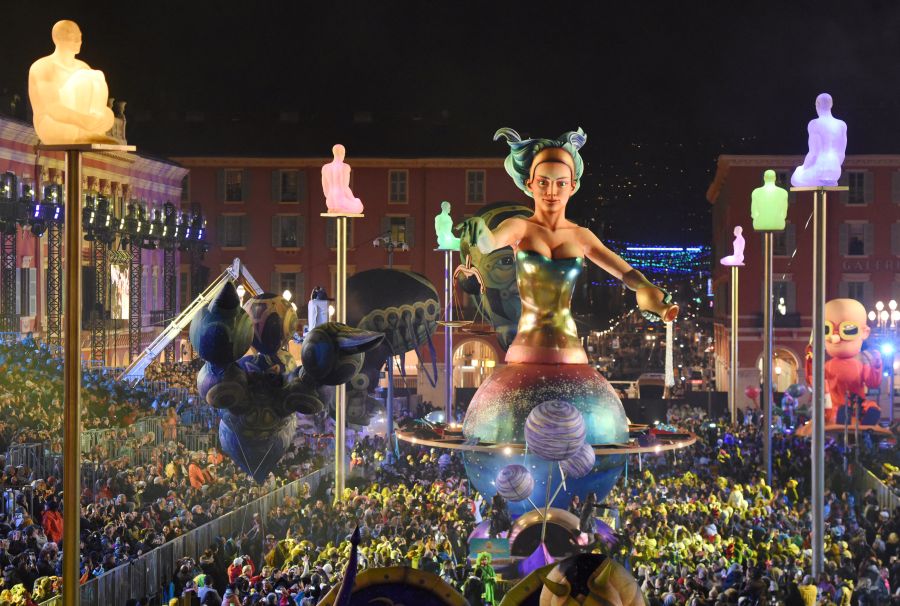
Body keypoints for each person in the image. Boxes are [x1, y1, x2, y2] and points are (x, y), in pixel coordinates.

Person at [457, 127, 677, 366]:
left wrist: (645, 288)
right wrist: (479, 229)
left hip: (571, 349)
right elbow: (490, 243)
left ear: (572, 186)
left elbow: (625, 272)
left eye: (560, 183)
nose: (552, 191)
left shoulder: (580, 236)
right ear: (530, 184)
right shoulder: (519, 227)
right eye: (543, 182)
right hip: (527, 348)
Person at [28, 20, 116, 144]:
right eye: (72, 37)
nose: (78, 42)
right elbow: (53, 108)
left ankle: (92, 131)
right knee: (83, 77)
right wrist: (85, 121)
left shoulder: (83, 66)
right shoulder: (43, 66)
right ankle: (87, 131)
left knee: (97, 75)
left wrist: (101, 117)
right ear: (57, 39)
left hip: (86, 125)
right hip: (53, 125)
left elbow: (97, 103)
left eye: (79, 37)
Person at [791, 93, 848, 187]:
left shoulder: (814, 124)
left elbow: (813, 153)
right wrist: (833, 166)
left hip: (820, 169)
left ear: (817, 104)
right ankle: (829, 181)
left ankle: (818, 180)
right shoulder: (842, 125)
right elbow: (841, 154)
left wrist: (804, 168)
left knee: (796, 175)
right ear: (831, 104)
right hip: (836, 171)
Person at [322, 144, 363, 214]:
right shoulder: (345, 167)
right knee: (359, 206)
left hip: (330, 201)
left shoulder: (325, 167)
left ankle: (335, 209)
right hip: (340, 199)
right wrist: (352, 199)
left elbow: (325, 189)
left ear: (333, 152)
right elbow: (345, 187)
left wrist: (330, 198)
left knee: (354, 203)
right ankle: (342, 210)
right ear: (343, 153)